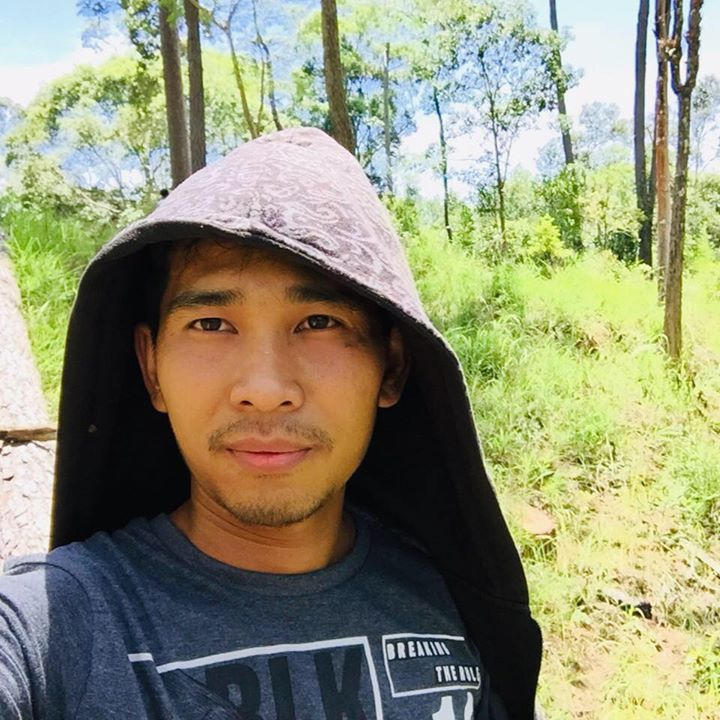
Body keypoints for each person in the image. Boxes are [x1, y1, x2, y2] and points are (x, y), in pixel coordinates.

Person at [0, 127, 541, 719]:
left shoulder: (447, 596)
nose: (264, 389)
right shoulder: (49, 629)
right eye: (210, 324)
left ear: (391, 367)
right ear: (151, 369)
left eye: (319, 322)